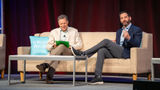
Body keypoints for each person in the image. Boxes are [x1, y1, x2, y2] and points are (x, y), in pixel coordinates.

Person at [71, 11, 142, 85]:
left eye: (125, 17)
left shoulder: (136, 30)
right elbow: (118, 44)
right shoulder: (119, 31)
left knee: (106, 41)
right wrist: (114, 44)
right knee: (102, 50)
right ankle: (98, 77)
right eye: (121, 18)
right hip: (118, 52)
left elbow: (137, 44)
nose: (124, 19)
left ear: (130, 18)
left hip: (126, 52)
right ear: (120, 20)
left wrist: (129, 38)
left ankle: (83, 54)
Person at [36, 14, 82, 84]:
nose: (63, 25)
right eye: (61, 24)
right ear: (58, 24)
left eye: (64, 23)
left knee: (61, 46)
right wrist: (53, 46)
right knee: (56, 56)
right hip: (57, 52)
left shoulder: (74, 31)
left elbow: (80, 45)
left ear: (67, 22)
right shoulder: (54, 32)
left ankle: (45, 65)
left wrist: (70, 45)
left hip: (68, 51)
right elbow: (48, 47)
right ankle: (49, 78)